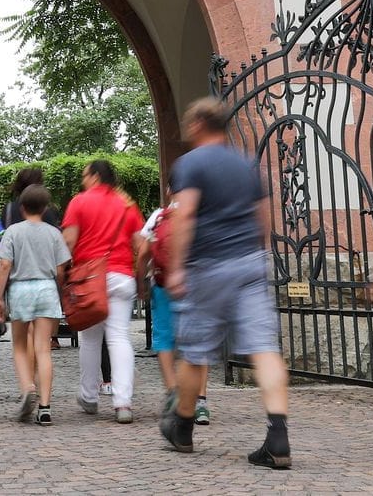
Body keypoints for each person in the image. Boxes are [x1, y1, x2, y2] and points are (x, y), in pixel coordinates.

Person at [158, 99, 291, 469]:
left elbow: (184, 217)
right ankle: (277, 436)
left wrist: (179, 267)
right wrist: (258, 255)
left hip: (209, 265)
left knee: (196, 349)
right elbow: (263, 216)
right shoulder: (247, 163)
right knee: (264, 347)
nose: (185, 127)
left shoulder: (191, 164)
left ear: (201, 123)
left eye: (188, 121)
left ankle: (182, 427)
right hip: (250, 262)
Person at [62, 159, 144, 423]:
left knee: (90, 338)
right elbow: (141, 244)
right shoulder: (127, 204)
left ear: (95, 176)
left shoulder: (79, 202)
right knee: (119, 337)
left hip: (90, 277)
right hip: (121, 275)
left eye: (85, 175)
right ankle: (123, 403)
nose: (83, 179)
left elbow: (68, 241)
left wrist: (65, 271)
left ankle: (89, 396)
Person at [0, 184, 70, 426]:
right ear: (45, 208)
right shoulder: (54, 233)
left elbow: (5, 265)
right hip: (46, 287)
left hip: (21, 289)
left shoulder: (13, 232)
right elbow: (60, 270)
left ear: (22, 208)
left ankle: (27, 388)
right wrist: (58, 292)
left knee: (19, 346)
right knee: (43, 349)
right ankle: (45, 407)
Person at [137, 199, 209, 424]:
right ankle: (200, 401)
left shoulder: (159, 216)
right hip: (196, 284)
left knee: (164, 338)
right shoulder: (203, 211)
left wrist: (140, 283)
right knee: (197, 340)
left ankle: (173, 393)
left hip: (163, 284)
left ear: (169, 190)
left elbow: (143, 253)